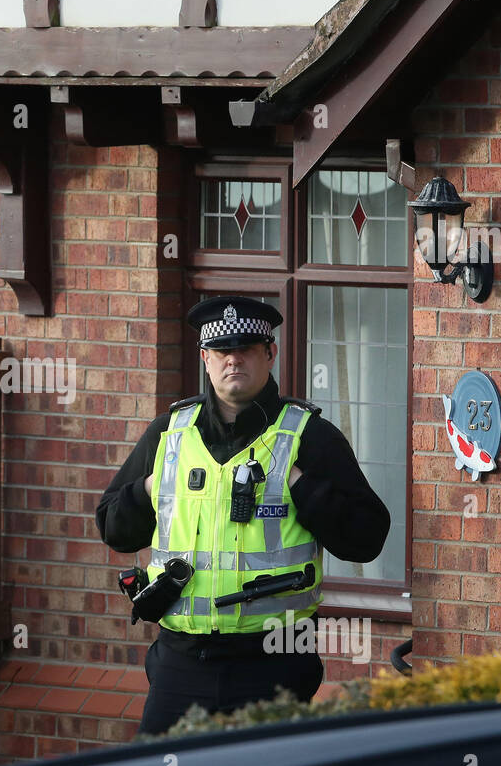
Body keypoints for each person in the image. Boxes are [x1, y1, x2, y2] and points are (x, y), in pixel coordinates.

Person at [96, 295, 391, 736]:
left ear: (270, 354)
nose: (233, 360)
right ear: (205, 359)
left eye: (247, 348)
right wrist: (150, 489)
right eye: (221, 351)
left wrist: (300, 486)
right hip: (182, 662)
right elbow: (112, 528)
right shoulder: (169, 434)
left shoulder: (309, 436)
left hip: (274, 662)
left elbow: (367, 538)